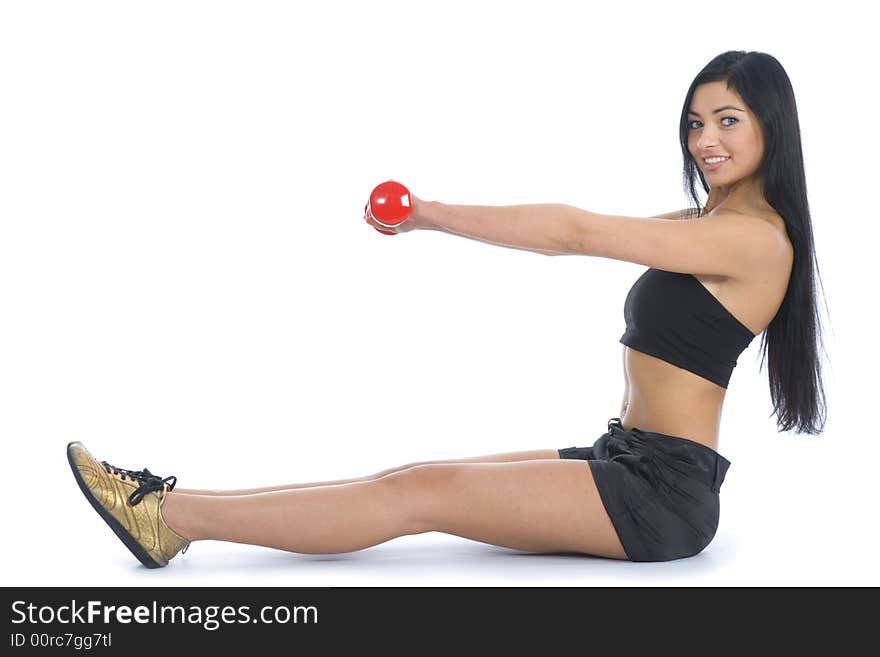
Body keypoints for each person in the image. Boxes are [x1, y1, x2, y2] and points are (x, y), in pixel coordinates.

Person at [66, 50, 826, 568]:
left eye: (728, 120)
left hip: (662, 497)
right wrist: (428, 219)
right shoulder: (703, 229)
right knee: (410, 475)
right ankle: (169, 506)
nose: (705, 140)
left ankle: (167, 517)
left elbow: (577, 230)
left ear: (771, 126)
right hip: (623, 457)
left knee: (417, 496)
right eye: (696, 122)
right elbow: (563, 240)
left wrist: (428, 211)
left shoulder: (757, 243)